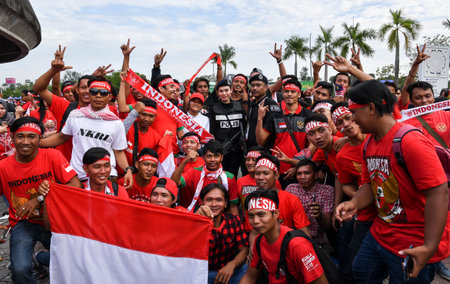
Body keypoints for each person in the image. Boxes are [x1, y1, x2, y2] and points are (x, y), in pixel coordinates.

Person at [335, 80, 449, 283]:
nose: (352, 119)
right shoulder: (369, 142)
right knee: (360, 274)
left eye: (354, 112)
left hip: (414, 243)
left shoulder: (410, 141)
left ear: (371, 108)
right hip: (381, 233)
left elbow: (438, 194)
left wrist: (429, 247)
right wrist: (354, 203)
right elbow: (371, 185)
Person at [0, 117, 81, 283]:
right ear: (12, 138)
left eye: (32, 136)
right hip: (23, 223)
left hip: (56, 221)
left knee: (75, 262)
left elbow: (76, 186)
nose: (25, 142)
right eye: (20, 136)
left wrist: (41, 197)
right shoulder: (3, 167)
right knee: (20, 269)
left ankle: (41, 259)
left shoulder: (53, 156)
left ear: (40, 139)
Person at [39, 76, 133, 189]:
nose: (98, 96)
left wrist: (127, 170)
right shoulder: (76, 115)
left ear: (109, 97)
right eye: (94, 92)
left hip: (105, 177)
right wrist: (37, 143)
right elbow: (61, 137)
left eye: (103, 93)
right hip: (78, 177)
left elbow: (119, 152)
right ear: (90, 94)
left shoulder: (116, 123)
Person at [240, 189, 328, 284]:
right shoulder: (259, 241)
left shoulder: (298, 245)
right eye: (251, 216)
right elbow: (250, 276)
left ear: (276, 214)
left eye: (261, 214)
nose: (255, 221)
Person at [331, 102, 376, 283]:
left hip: (392, 211)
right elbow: (345, 184)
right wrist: (358, 197)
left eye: (349, 118)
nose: (346, 124)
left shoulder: (377, 137)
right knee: (357, 260)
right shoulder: (342, 155)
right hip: (366, 211)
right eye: (340, 123)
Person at [256, 78, 312, 187]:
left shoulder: (308, 115)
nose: (289, 94)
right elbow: (261, 141)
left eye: (293, 91)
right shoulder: (275, 115)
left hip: (300, 171)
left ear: (299, 94)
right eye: (286, 91)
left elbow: (312, 147)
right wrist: (260, 118)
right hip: (277, 171)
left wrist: (297, 167)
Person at [196, 184, 249, 284]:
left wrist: (232, 265)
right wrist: (196, 223)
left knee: (247, 266)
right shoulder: (194, 222)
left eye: (219, 200)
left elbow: (244, 249)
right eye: (209, 200)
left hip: (227, 272)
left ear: (225, 204)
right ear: (202, 203)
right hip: (202, 274)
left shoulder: (233, 220)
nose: (214, 204)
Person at [172, 139, 239, 214]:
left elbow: (233, 206)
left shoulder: (229, 177)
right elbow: (174, 183)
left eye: (216, 156)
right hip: (197, 215)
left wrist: (234, 224)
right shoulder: (194, 172)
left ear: (221, 157)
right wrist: (185, 161)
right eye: (209, 156)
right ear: (203, 158)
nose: (212, 160)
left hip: (220, 217)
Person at [286, 159, 334, 249]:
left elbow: (327, 225)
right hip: (292, 238)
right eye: (299, 174)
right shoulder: (291, 189)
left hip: (316, 242)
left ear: (315, 175)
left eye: (307, 173)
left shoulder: (327, 191)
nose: (302, 177)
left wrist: (319, 215)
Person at [254, 154, 310, 233]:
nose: (260, 177)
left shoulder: (291, 200)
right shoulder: (253, 200)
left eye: (266, 173)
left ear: (276, 176)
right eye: (257, 173)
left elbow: (305, 234)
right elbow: (253, 232)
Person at [208, 79, 246, 176]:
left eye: (226, 90)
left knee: (234, 175)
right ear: (217, 93)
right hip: (221, 149)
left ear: (231, 90)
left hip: (237, 149)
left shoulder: (240, 106)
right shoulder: (213, 108)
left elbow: (245, 126)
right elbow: (212, 130)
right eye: (221, 91)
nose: (224, 93)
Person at [246, 73, 278, 150]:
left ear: (266, 87)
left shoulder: (270, 104)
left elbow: (270, 131)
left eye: (258, 85)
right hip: (250, 148)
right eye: (252, 85)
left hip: (264, 149)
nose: (254, 88)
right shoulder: (253, 104)